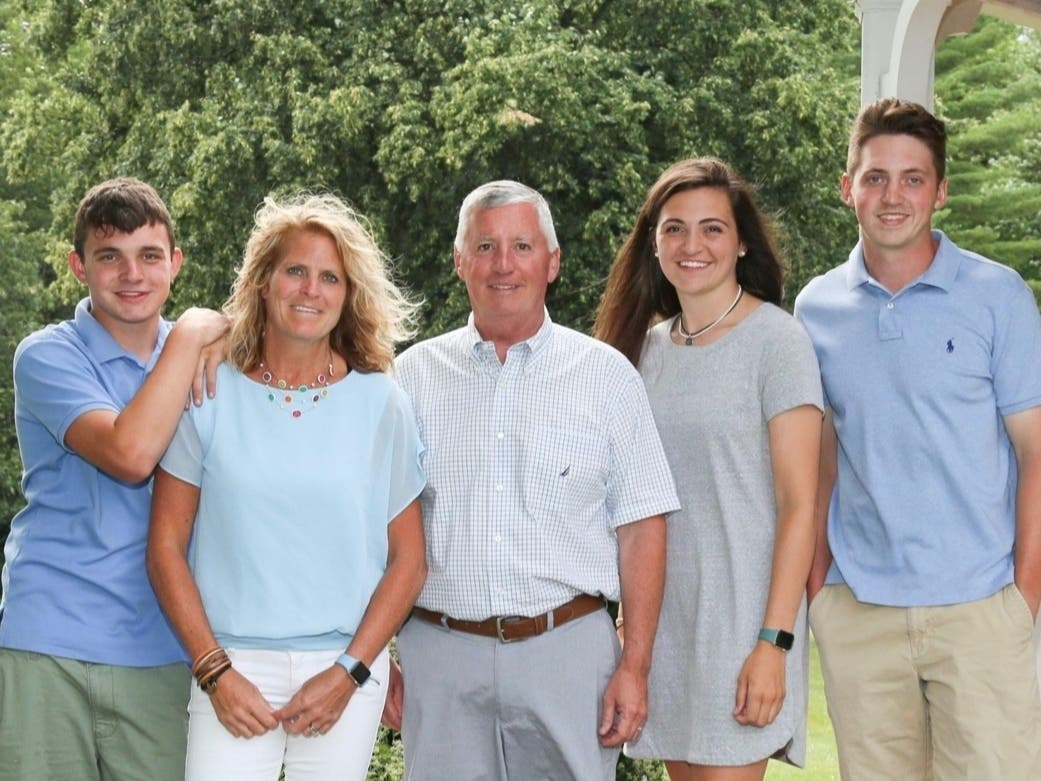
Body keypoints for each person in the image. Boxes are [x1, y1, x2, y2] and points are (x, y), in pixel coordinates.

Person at [385, 180, 680, 780]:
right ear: (460, 261)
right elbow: (377, 527)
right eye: (485, 246)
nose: (504, 264)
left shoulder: (605, 377)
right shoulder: (410, 378)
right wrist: (374, 657)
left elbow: (642, 527)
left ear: (552, 262)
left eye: (522, 246)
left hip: (567, 653)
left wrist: (635, 665)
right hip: (440, 658)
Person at [794, 98, 1041, 779]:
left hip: (980, 610)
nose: (892, 196)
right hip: (859, 612)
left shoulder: (997, 296)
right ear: (847, 188)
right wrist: (821, 590)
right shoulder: (815, 309)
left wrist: (1022, 598)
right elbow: (817, 461)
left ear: (940, 191)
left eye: (912, 178)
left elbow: (1036, 453)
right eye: (874, 177)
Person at [146, 192, 427, 781]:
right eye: (296, 270)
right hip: (230, 666)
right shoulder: (208, 391)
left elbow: (409, 561)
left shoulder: (381, 402)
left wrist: (350, 672)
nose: (310, 290)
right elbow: (165, 547)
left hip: (343, 670)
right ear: (263, 282)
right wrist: (214, 670)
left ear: (348, 296)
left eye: (330, 278)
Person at [594, 158, 822, 781]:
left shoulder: (778, 343)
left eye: (712, 228)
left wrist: (774, 643)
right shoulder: (641, 352)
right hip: (664, 631)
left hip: (744, 628)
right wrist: (629, 629)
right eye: (674, 228)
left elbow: (800, 506)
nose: (692, 245)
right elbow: (630, 505)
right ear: (653, 243)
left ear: (741, 242)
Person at [0, 177, 229, 780]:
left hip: (165, 645)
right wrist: (192, 332)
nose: (132, 274)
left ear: (175, 263)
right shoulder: (47, 355)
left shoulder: (213, 358)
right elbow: (130, 454)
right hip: (49, 639)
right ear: (78, 266)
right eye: (110, 257)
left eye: (149, 256)